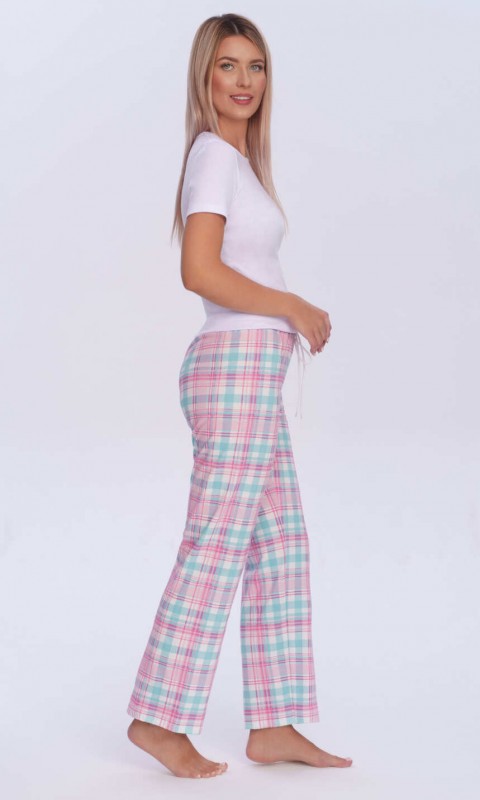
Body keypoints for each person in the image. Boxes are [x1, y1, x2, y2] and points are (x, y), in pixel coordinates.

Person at [126, 13, 353, 779]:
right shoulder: (213, 156)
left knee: (280, 541)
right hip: (234, 369)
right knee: (218, 540)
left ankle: (274, 724)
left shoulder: (237, 163)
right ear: (205, 75)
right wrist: (291, 305)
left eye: (255, 66)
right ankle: (158, 719)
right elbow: (199, 270)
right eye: (228, 65)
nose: (244, 80)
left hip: (253, 371)